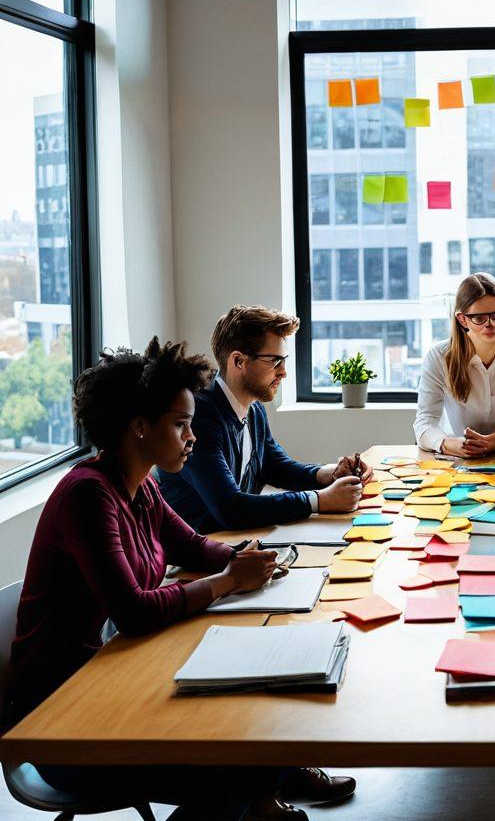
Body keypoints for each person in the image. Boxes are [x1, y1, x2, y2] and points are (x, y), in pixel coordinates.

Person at [6, 340, 355, 820]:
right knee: (237, 762)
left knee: (250, 721)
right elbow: (133, 611)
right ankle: (262, 796)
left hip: (110, 677)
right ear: (139, 428)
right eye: (180, 424)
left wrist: (249, 558)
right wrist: (228, 582)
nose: (193, 436)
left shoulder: (140, 483)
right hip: (64, 722)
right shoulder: (88, 495)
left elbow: (190, 546)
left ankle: (265, 796)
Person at [157, 305, 372, 533]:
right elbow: (231, 508)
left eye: (284, 360)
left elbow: (274, 465)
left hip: (235, 543)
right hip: (198, 557)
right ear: (238, 361)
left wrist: (329, 474)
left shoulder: (253, 406)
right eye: (274, 361)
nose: (283, 372)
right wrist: (319, 500)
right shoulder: (198, 416)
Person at [415, 273, 495, 457]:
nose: (490, 325)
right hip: (457, 458)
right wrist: (448, 444)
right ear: (463, 320)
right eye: (479, 319)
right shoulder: (438, 357)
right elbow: (424, 423)